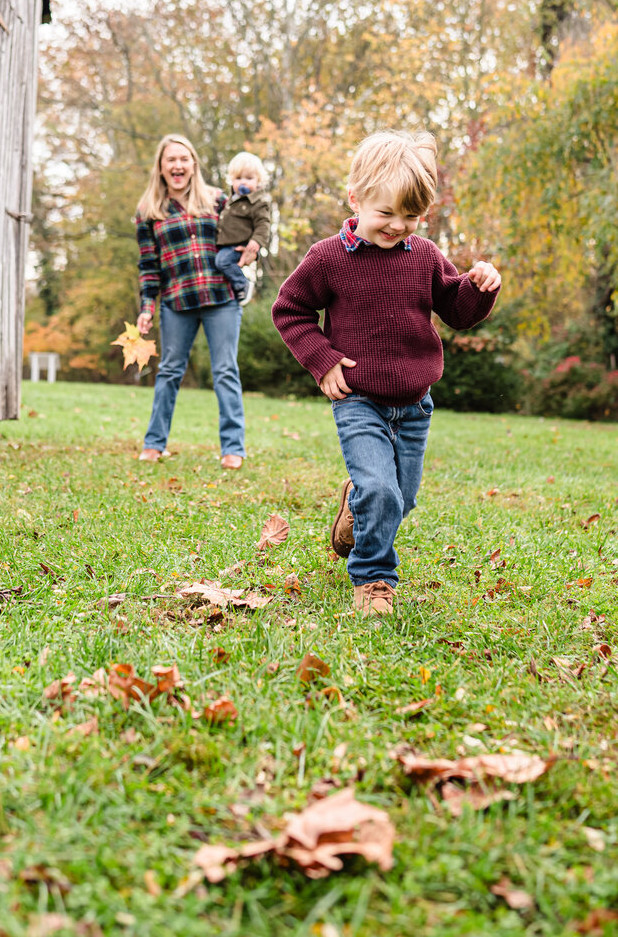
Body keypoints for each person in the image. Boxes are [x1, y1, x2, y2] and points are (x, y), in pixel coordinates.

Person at [271, 130, 501, 616]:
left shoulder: (424, 256)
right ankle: (374, 579)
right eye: (386, 213)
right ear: (356, 199)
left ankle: (356, 509)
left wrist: (479, 286)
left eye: (411, 216)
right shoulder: (327, 258)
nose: (399, 226)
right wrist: (322, 358)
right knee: (382, 490)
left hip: (415, 405)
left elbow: (457, 310)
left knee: (400, 499)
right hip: (359, 399)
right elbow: (290, 310)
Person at [135, 134, 248, 469]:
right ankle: (154, 444)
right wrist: (147, 306)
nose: (178, 165)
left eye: (184, 159)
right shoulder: (148, 212)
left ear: (193, 163)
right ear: (161, 167)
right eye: (171, 160)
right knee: (169, 371)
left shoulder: (217, 200)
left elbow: (242, 237)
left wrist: (250, 251)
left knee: (225, 370)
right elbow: (148, 265)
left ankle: (233, 449)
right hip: (176, 302)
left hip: (220, 298)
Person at [214, 152, 272, 306]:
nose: (243, 183)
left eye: (249, 178)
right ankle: (237, 286)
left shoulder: (258, 202)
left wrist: (256, 241)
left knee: (222, 262)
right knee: (221, 261)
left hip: (239, 244)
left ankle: (242, 284)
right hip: (226, 243)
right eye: (238, 179)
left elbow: (263, 223)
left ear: (258, 181)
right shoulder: (232, 200)